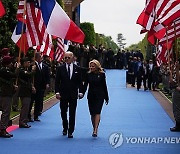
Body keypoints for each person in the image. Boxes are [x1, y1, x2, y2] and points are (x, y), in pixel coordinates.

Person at [55, 51, 83, 138]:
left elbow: (80, 82)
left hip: (73, 94)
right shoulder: (60, 68)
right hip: (63, 94)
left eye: (68, 57)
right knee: (63, 112)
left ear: (72, 58)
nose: (66, 59)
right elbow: (57, 82)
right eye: (65, 58)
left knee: (72, 113)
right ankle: (65, 127)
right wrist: (57, 92)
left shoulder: (77, 68)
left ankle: (71, 131)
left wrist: (81, 92)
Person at [81, 59, 109, 137]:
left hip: (100, 96)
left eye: (93, 66)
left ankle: (96, 129)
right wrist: (82, 93)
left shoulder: (102, 74)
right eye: (90, 66)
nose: (91, 67)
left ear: (97, 66)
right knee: (92, 113)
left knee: (97, 112)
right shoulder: (88, 74)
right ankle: (94, 127)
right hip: (91, 96)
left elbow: (104, 86)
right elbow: (85, 85)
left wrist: (106, 97)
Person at [0, 56, 18, 138]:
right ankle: (2, 129)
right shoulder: (4, 70)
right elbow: (14, 75)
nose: (12, 63)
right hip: (5, 94)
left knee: (6, 111)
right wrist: (17, 68)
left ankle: (3, 128)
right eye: (10, 62)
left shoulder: (5, 70)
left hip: (7, 93)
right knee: (6, 112)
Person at [28, 52, 50, 122]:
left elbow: (47, 76)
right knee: (31, 102)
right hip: (34, 86)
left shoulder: (45, 66)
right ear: (36, 58)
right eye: (40, 57)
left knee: (39, 101)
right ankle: (28, 116)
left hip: (41, 87)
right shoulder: (32, 66)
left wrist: (47, 83)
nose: (41, 58)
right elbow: (30, 76)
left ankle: (36, 116)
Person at [18, 57, 36, 128]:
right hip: (24, 91)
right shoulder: (21, 70)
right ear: (24, 63)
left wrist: (32, 86)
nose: (29, 63)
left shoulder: (26, 70)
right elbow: (28, 75)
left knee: (27, 106)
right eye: (28, 62)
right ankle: (22, 121)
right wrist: (33, 71)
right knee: (25, 106)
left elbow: (29, 79)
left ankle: (24, 120)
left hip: (28, 90)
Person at [169, 60, 180, 132]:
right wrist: (172, 71)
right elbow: (171, 81)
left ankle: (178, 125)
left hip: (178, 92)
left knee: (177, 109)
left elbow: (174, 82)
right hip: (175, 90)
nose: (175, 63)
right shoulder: (177, 72)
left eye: (177, 62)